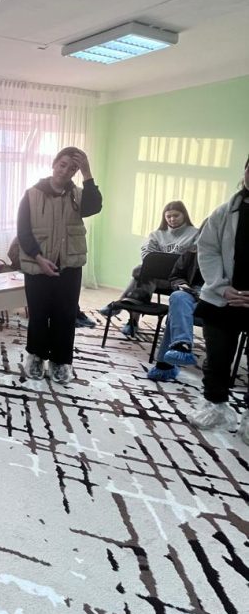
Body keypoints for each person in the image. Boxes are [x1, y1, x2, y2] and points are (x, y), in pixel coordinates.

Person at [17, 146, 102, 384]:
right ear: (54, 164)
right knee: (39, 314)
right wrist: (38, 258)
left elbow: (94, 207)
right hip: (38, 267)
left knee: (65, 316)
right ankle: (36, 357)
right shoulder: (31, 194)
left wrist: (88, 173)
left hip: (69, 267)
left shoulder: (78, 195)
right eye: (62, 165)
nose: (65, 171)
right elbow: (23, 232)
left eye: (72, 168)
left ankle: (60, 361)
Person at [188, 156, 249, 438]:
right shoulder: (224, 212)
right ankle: (216, 405)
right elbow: (207, 250)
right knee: (217, 356)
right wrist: (221, 286)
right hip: (221, 297)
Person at [99, 201, 199, 337]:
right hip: (156, 277)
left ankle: (122, 309)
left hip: (178, 280)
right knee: (142, 273)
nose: (172, 219)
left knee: (139, 273)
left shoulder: (195, 234)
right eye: (168, 216)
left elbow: (193, 260)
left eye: (176, 215)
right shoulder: (156, 234)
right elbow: (147, 256)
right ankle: (131, 320)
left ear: (184, 215)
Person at [146, 246, 203, 381]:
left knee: (177, 310)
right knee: (178, 297)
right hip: (192, 293)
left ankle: (165, 366)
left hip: (219, 298)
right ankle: (182, 346)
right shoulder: (192, 252)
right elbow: (176, 276)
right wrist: (182, 285)